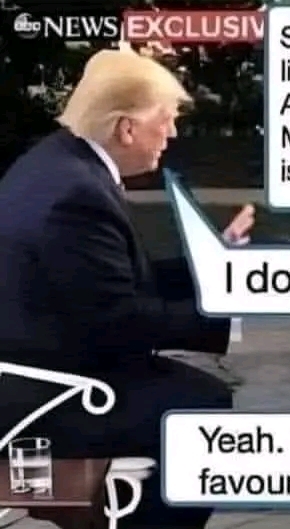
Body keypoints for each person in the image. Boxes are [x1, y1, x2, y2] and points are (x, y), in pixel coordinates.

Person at [0, 49, 254, 529]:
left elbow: (110, 279)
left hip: (42, 363)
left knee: (191, 396)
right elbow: (119, 323)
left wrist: (216, 268)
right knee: (199, 410)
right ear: (126, 128)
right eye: (166, 119)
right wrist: (227, 310)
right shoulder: (76, 193)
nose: (172, 133)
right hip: (41, 395)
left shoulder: (60, 161)